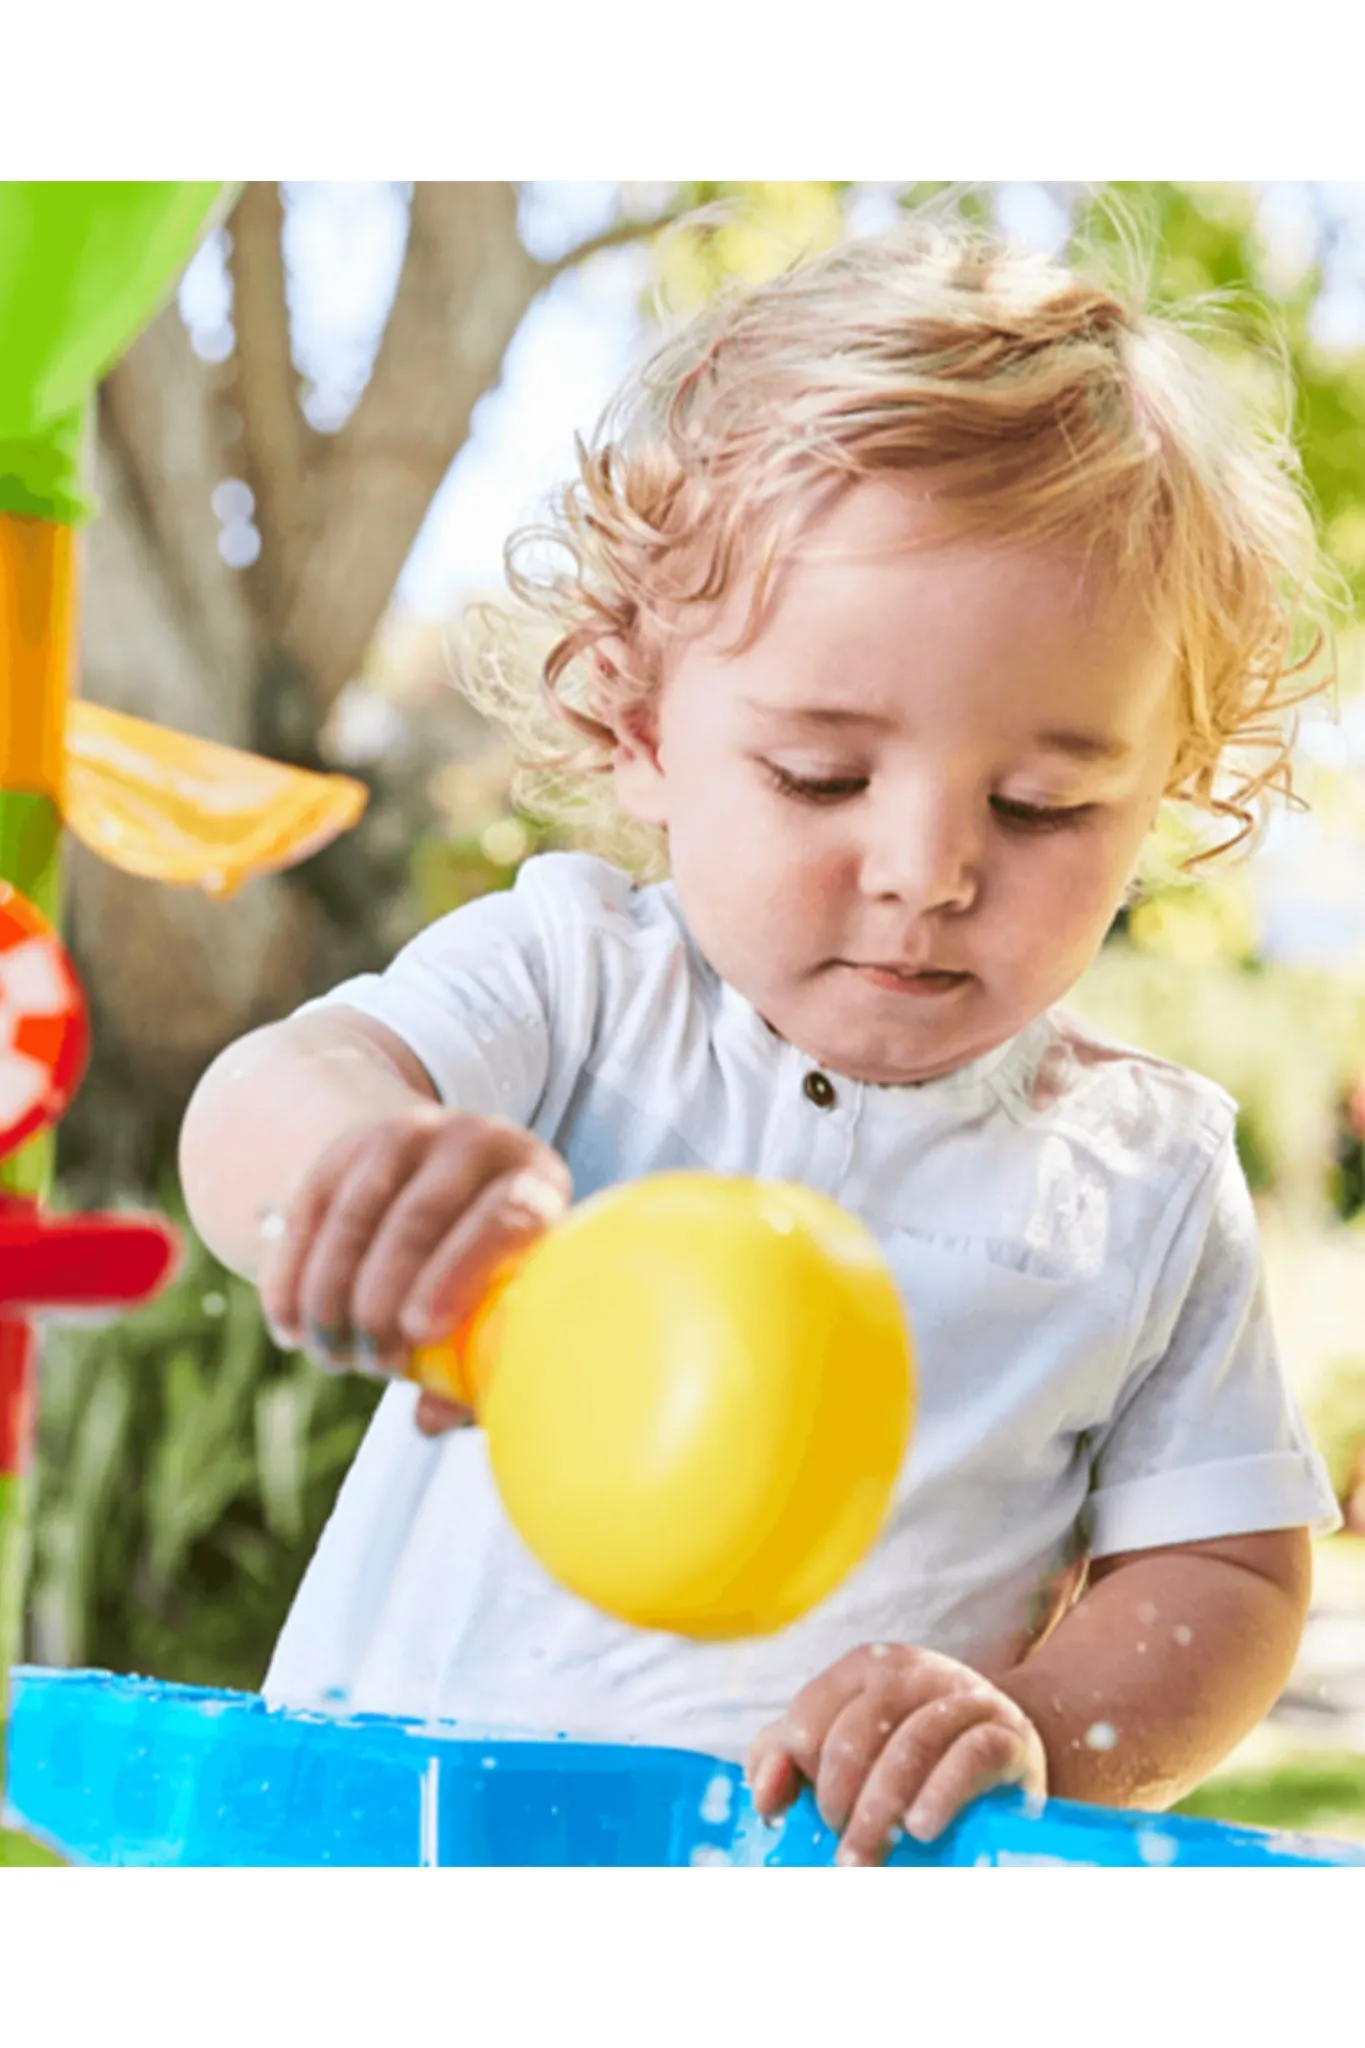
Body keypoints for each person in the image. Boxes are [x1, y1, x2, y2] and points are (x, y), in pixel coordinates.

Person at [180, 215, 1342, 1866]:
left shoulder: (1141, 1176)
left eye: (1041, 806)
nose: (926, 873)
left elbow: (1223, 1573)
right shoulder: (578, 986)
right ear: (641, 728)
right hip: (402, 1867)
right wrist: (355, 1172)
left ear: (1164, 789)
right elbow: (268, 1100)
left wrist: (1042, 1720)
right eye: (820, 777)